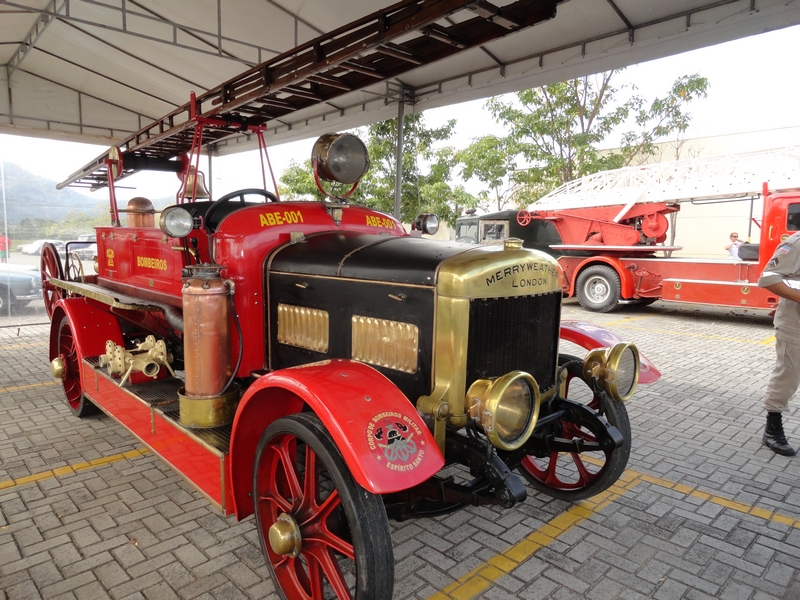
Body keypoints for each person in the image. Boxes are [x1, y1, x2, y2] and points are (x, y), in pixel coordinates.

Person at [757, 231, 800, 456]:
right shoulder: (796, 244)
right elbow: (768, 278)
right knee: (788, 375)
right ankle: (772, 429)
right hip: (795, 323)